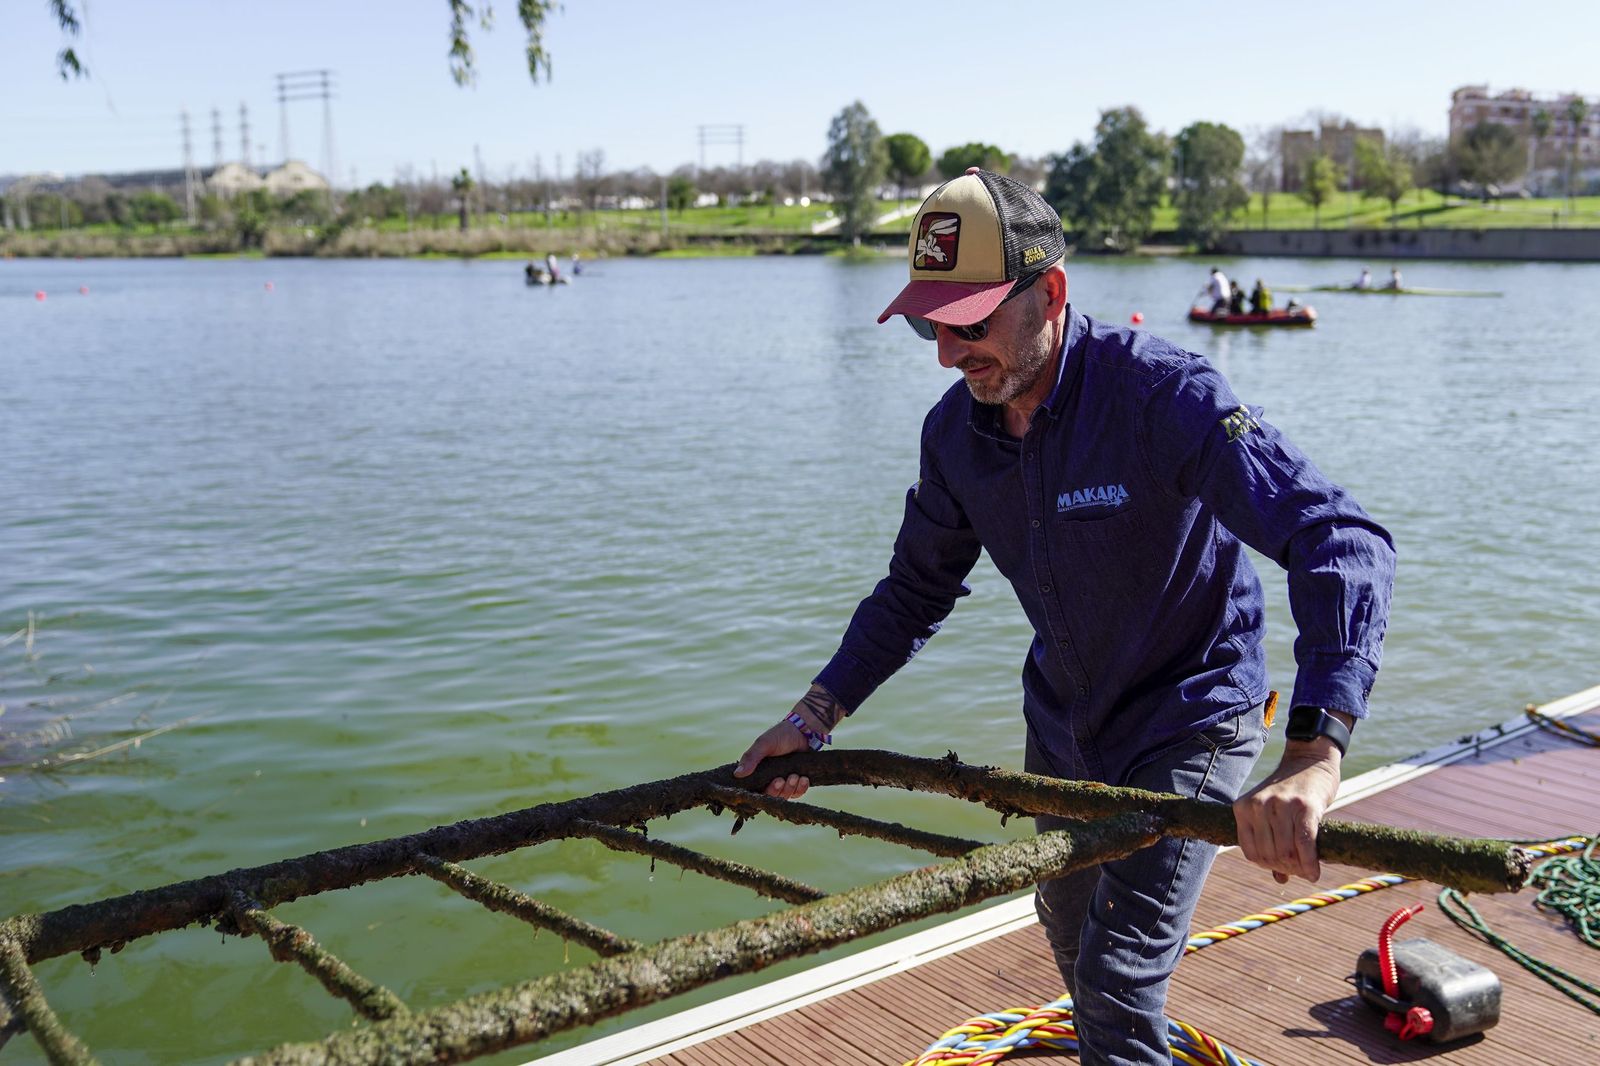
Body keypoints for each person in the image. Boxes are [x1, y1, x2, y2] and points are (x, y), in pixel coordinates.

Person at [733, 168, 1395, 1066]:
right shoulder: (954, 437)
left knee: (1118, 987)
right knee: (1071, 936)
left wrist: (1315, 757)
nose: (946, 352)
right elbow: (911, 594)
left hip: (1190, 722)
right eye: (932, 324)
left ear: (1050, 292)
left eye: (970, 322)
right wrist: (813, 715)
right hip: (1063, 732)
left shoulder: (1166, 397)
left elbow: (1339, 539)